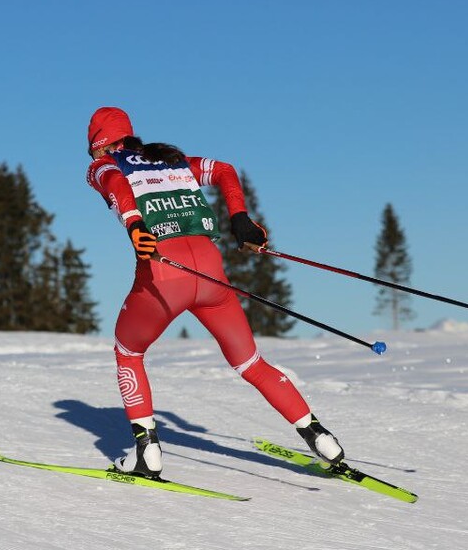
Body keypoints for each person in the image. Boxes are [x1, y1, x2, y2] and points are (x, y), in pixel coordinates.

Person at [85, 106, 345, 478]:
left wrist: (134, 224)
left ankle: (146, 450)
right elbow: (224, 169)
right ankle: (320, 436)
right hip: (211, 273)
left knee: (128, 352)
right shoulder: (172, 161)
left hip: (163, 276)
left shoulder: (102, 164)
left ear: (100, 144)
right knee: (251, 363)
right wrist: (239, 217)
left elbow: (114, 181)